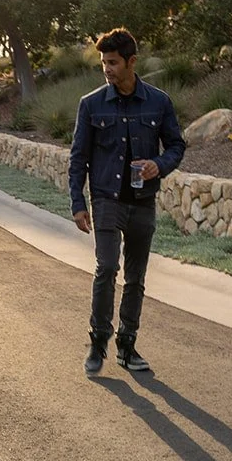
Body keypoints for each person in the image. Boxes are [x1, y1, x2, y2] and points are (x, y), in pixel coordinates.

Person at [69, 27, 185, 377]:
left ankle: (127, 344)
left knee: (136, 277)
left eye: (114, 62)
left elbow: (177, 146)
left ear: (132, 62)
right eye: (104, 62)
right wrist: (78, 202)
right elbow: (78, 158)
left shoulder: (159, 102)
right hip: (105, 199)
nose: (107, 69)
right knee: (107, 268)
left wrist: (158, 165)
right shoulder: (90, 105)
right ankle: (98, 341)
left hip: (143, 201)